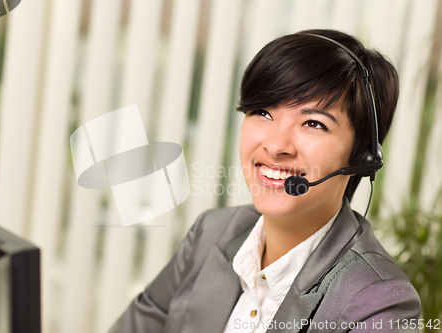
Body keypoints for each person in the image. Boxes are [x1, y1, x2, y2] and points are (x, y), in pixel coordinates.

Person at [108, 29, 421, 333]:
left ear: (363, 155)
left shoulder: (379, 302)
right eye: (262, 112)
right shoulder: (211, 233)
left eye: (313, 123)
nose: (275, 145)